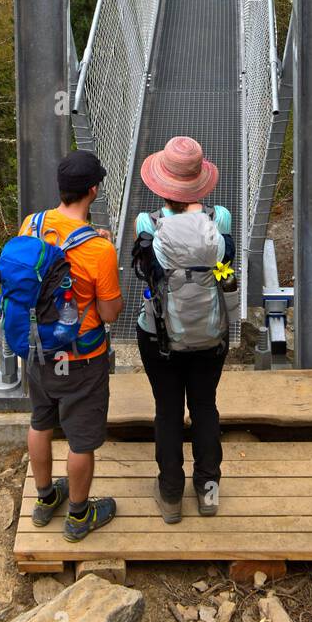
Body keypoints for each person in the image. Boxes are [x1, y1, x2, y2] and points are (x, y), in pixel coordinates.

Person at [23, 151, 124, 541]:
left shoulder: (31, 226)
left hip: (37, 350)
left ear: (61, 188)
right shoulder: (99, 250)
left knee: (40, 421)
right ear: (94, 190)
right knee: (81, 440)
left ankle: (46, 498)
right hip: (81, 358)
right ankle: (79, 515)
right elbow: (110, 312)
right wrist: (106, 260)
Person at [134, 136, 233, 524]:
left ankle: (172, 495)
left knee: (168, 410)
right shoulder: (219, 219)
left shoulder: (149, 223)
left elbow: (146, 270)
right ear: (200, 181)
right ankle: (208, 491)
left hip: (160, 336)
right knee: (205, 406)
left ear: (161, 184)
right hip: (209, 334)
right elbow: (225, 270)